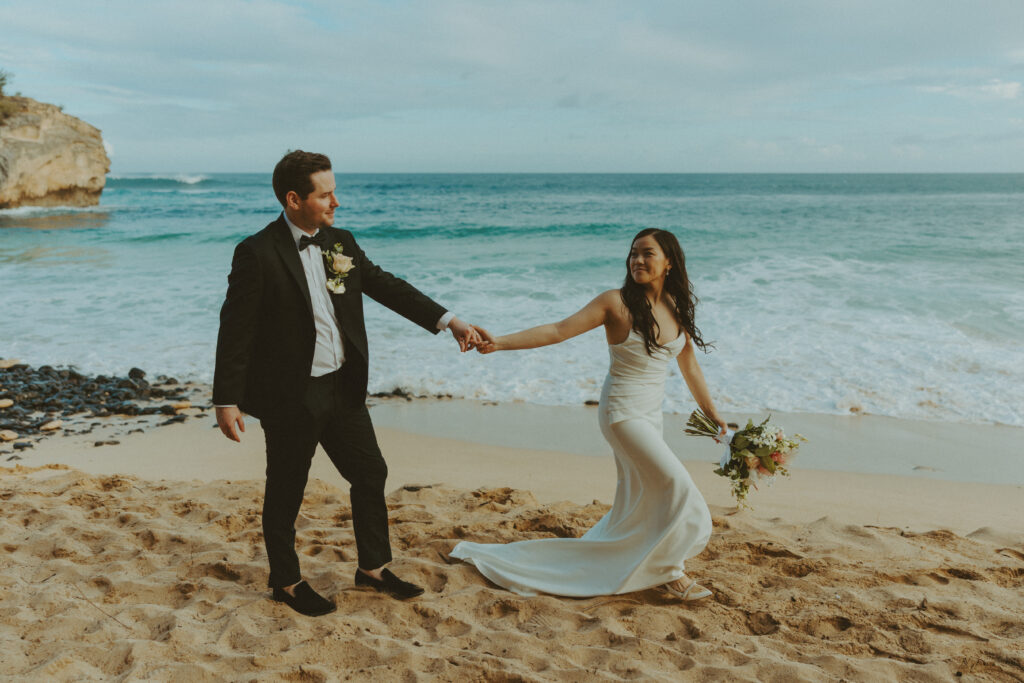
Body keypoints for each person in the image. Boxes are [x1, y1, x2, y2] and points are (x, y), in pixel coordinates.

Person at [213, 150, 484, 616]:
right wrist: (226, 399)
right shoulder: (256, 252)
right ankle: (286, 581)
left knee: (369, 472)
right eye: (325, 194)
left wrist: (449, 321)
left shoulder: (341, 242)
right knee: (286, 490)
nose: (336, 201)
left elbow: (386, 285)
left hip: (343, 386)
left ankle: (373, 568)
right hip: (291, 396)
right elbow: (235, 328)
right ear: (294, 199)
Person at [451, 228, 726, 600]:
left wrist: (711, 413)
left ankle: (642, 562)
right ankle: (670, 571)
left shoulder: (675, 305)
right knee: (677, 487)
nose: (637, 261)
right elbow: (558, 330)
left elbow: (689, 363)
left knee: (643, 500)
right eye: (633, 253)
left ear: (669, 262)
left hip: (650, 416)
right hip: (622, 415)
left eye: (647, 253)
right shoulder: (615, 302)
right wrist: (498, 342)